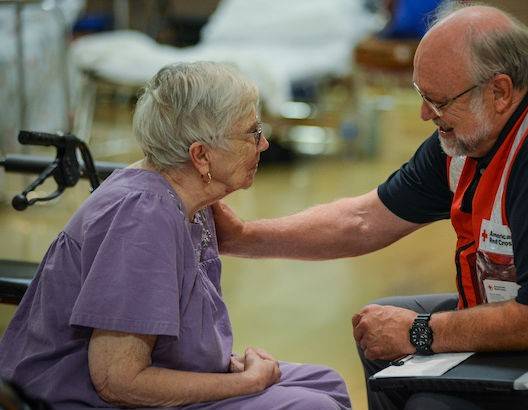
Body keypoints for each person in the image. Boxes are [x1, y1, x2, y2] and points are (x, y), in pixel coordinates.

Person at [211, 3, 528, 410]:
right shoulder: (471, 130)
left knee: (429, 395)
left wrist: (421, 333)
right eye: (421, 94)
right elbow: (363, 219)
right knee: (379, 334)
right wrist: (242, 238)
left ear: (499, 91)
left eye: (437, 99)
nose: (424, 113)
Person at [0, 61, 351, 410]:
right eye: (252, 133)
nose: (264, 145)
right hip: (76, 397)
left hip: (145, 376)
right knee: (310, 406)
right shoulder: (143, 217)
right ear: (201, 155)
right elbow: (117, 381)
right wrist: (245, 382)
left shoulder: (190, 197)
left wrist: (225, 366)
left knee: (325, 383)